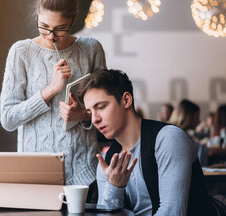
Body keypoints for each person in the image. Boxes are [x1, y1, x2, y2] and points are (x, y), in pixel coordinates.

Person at [0, 0, 106, 191]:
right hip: (34, 174)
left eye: (60, 28)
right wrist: (51, 90)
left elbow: (107, 110)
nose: (51, 36)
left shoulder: (91, 49)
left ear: (74, 19)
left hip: (85, 172)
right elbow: (8, 119)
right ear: (37, 16)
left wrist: (82, 115)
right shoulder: (21, 52)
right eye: (44, 26)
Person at [78, 69, 215, 215]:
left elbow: (172, 212)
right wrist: (114, 187)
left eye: (101, 107)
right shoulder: (108, 161)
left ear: (126, 100)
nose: (94, 119)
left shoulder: (168, 139)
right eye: (90, 112)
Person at [168, 99, 208, 166]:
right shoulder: (181, 136)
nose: (199, 121)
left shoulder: (171, 131)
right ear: (189, 117)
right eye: (197, 117)